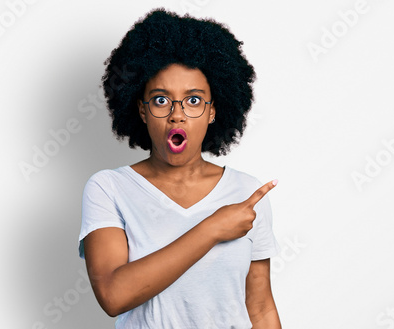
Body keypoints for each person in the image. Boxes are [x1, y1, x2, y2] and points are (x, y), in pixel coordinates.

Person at [78, 8, 282, 329]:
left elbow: (260, 307)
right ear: (142, 111)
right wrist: (213, 228)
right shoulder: (108, 188)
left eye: (193, 100)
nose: (177, 115)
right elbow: (113, 295)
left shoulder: (247, 194)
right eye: (161, 100)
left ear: (213, 111)